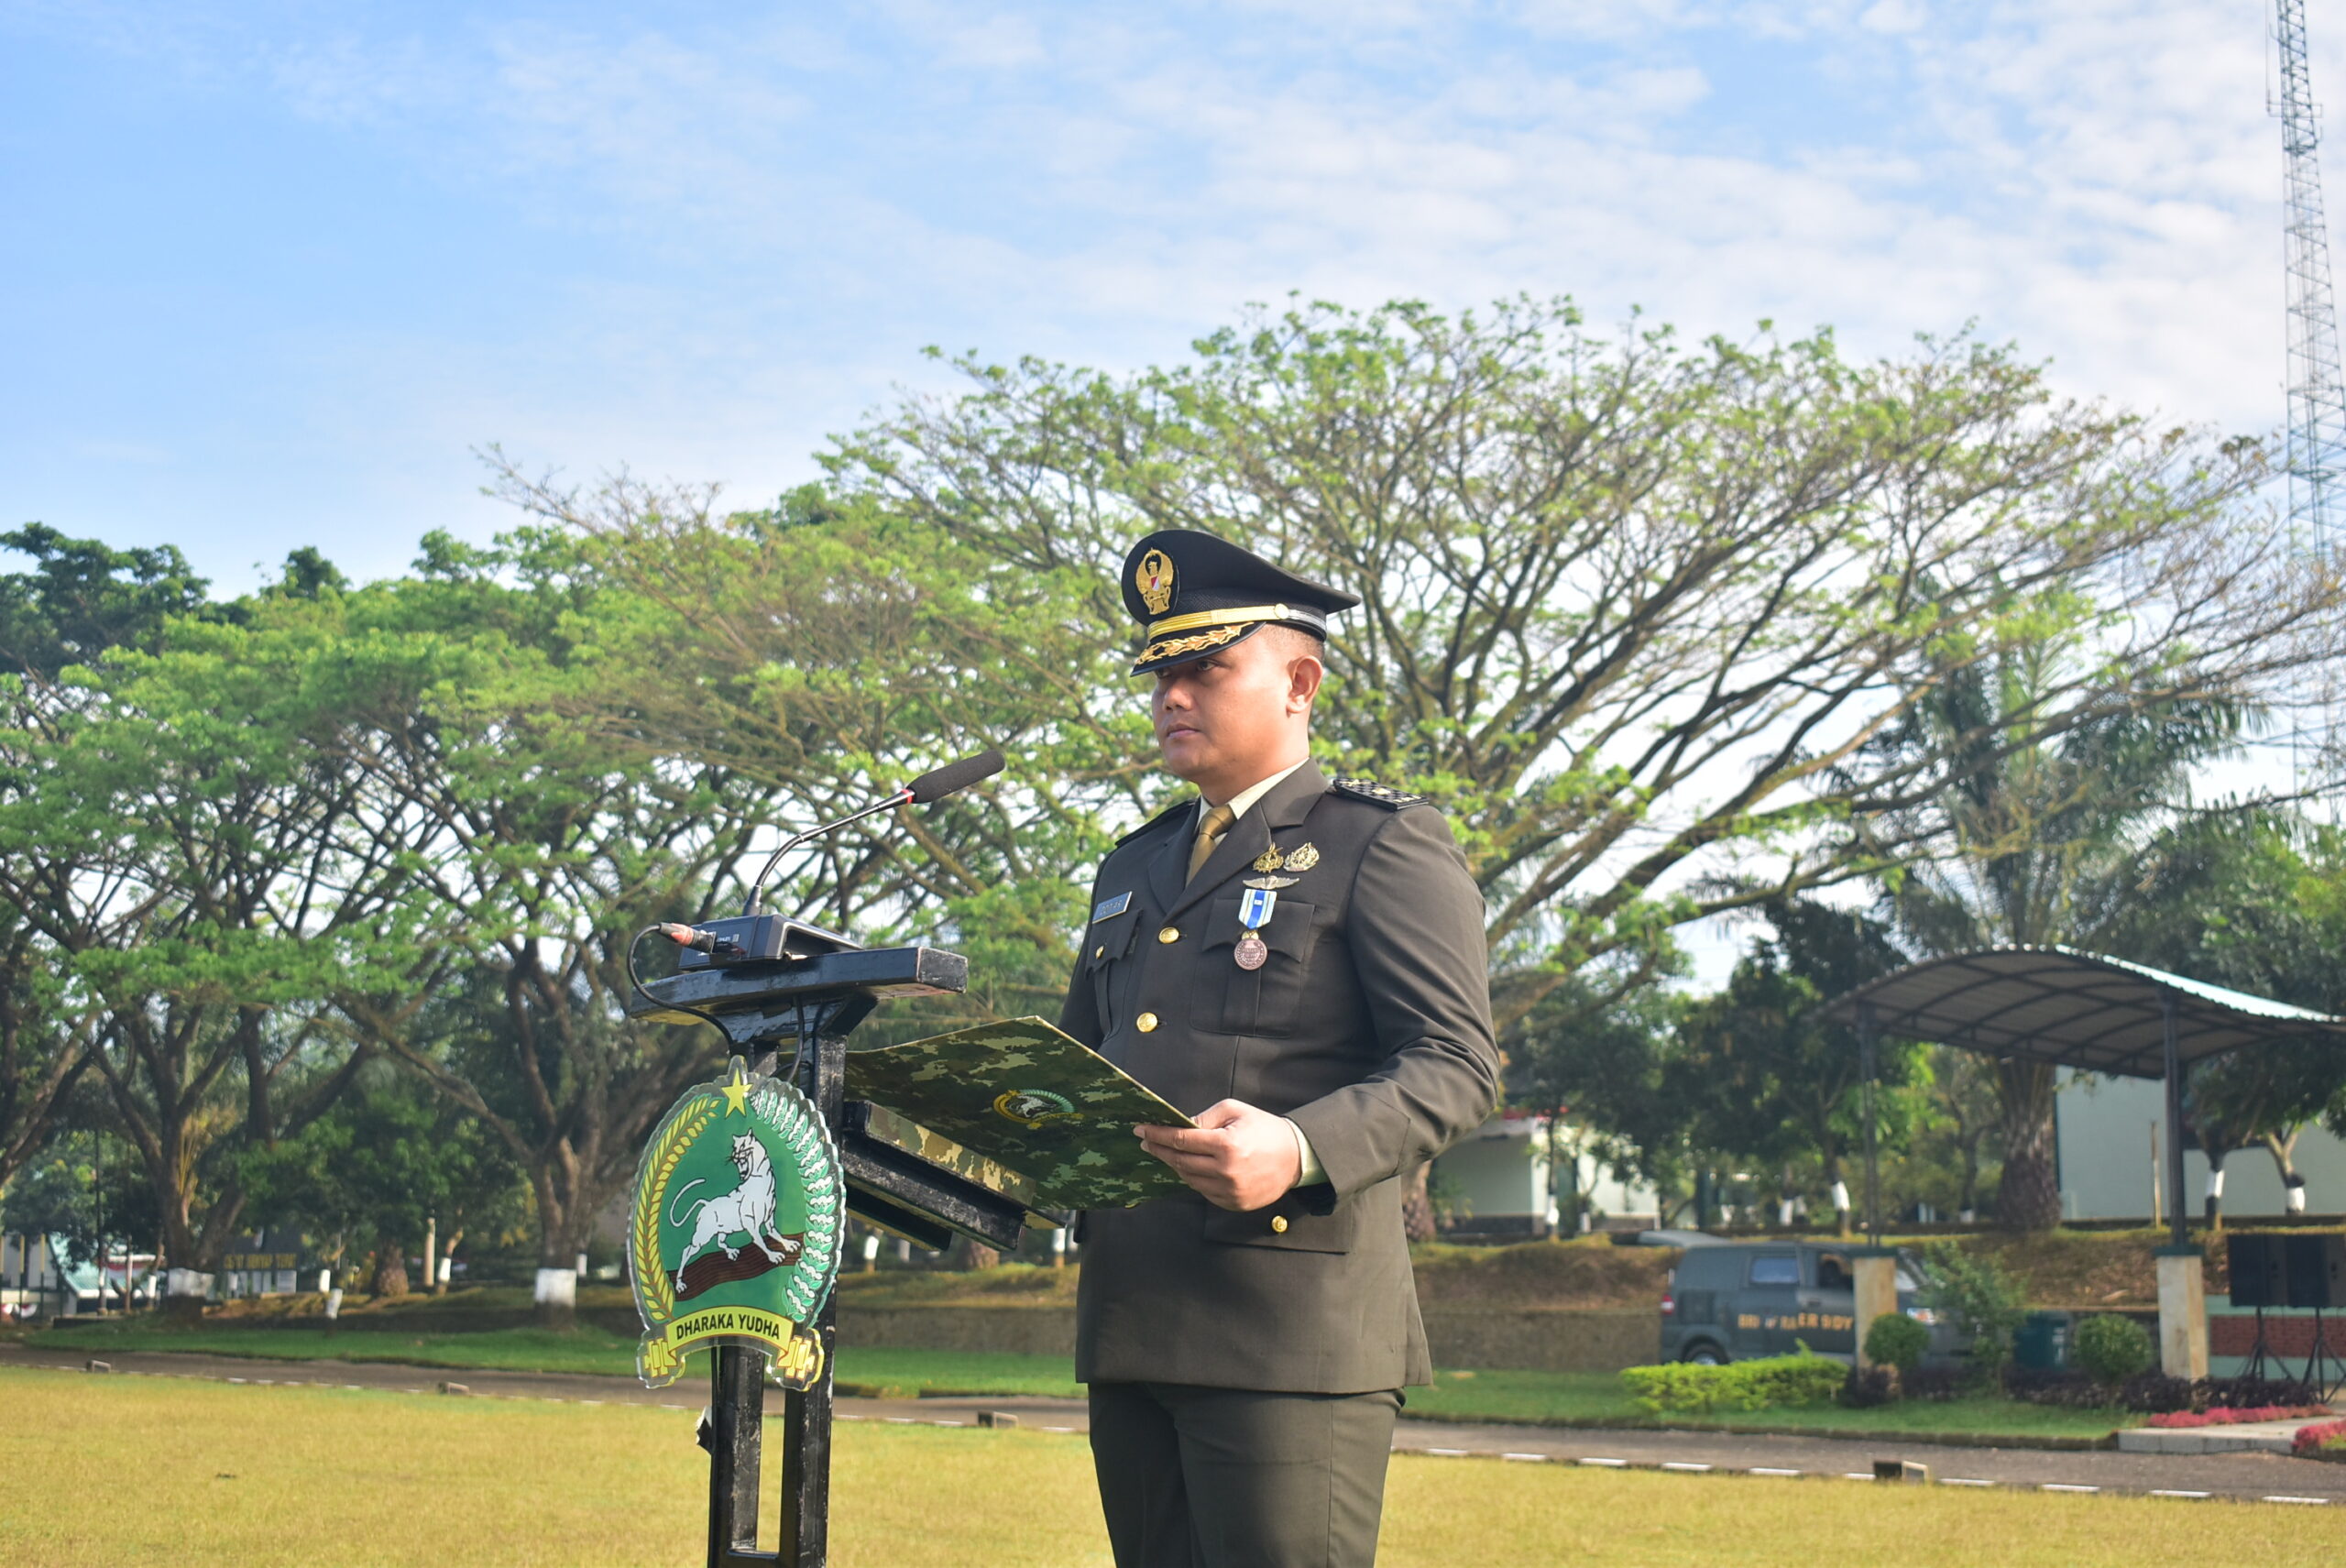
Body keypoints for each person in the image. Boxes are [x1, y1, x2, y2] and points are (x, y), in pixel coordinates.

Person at [1058, 528, 1501, 1568]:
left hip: (1287, 1331)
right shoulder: (1133, 863)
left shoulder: (1379, 842)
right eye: (1160, 671)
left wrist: (1298, 1148)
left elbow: (1455, 1063)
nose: (1173, 693)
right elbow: (1081, 1069)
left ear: (1299, 681)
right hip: (1132, 1319)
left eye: (1206, 667)